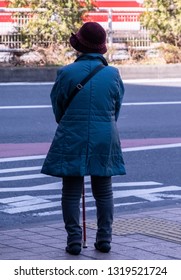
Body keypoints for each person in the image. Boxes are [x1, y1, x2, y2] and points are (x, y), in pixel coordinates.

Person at [41, 22, 126, 255]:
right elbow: (115, 107)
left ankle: (74, 240)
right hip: (105, 134)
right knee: (104, 190)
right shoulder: (112, 74)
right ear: (101, 48)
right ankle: (105, 239)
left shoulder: (66, 73)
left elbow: (58, 107)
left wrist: (70, 123)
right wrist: (104, 124)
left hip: (72, 134)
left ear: (79, 45)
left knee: (70, 190)